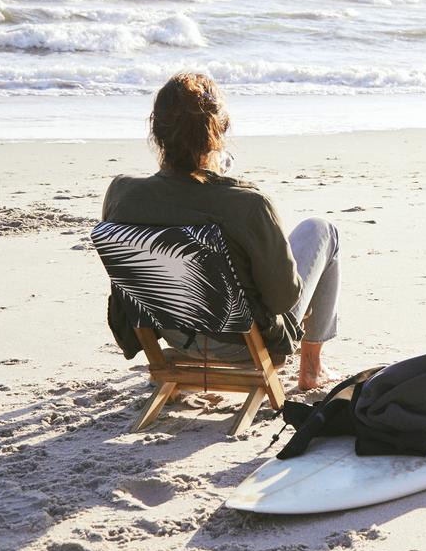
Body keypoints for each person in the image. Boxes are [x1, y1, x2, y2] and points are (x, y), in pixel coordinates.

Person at [102, 73, 339, 391]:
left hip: (173, 336)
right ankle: (311, 369)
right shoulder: (248, 203)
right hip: (242, 344)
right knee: (322, 231)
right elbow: (283, 298)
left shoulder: (122, 194)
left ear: (156, 131)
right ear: (220, 131)